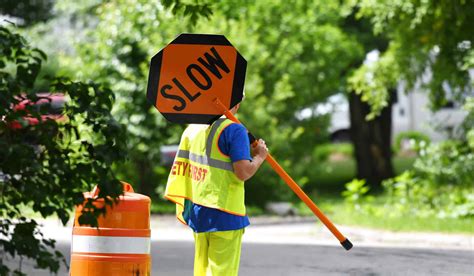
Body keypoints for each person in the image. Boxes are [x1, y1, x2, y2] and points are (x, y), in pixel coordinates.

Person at [164, 102, 268, 276]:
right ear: (238, 101)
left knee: (202, 270)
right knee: (222, 272)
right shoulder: (234, 130)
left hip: (197, 210)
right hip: (225, 213)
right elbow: (243, 171)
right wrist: (260, 157)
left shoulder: (193, 128)